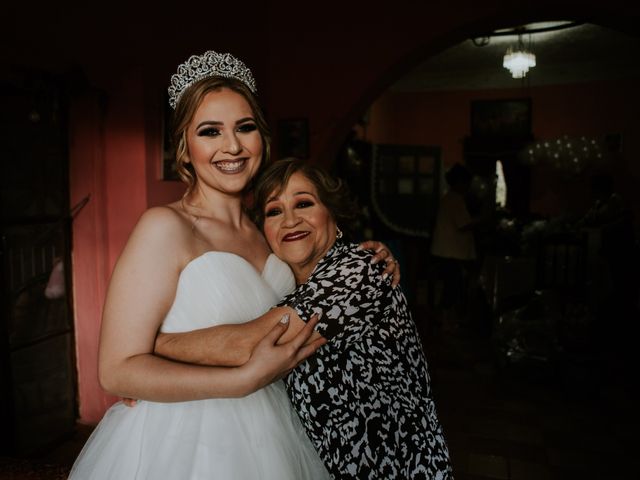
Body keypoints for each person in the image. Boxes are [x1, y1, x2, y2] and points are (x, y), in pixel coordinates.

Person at [69, 51, 399, 479]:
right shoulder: (164, 227)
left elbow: (317, 299)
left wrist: (365, 257)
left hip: (280, 427)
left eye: (245, 128)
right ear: (185, 148)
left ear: (262, 137)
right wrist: (239, 382)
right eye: (211, 132)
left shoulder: (271, 231)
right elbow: (116, 370)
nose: (232, 146)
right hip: (184, 438)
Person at [156, 158, 454, 479]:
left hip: (396, 466)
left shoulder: (361, 270)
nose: (290, 220)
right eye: (274, 211)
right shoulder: (283, 292)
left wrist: (150, 348)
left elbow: (248, 345)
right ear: (264, 231)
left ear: (333, 214)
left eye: (303, 203)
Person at [429, 163, 481, 331]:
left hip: (446, 251)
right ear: (459, 182)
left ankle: (445, 319)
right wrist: (483, 220)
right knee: (453, 286)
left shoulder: (449, 198)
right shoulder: (455, 200)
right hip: (451, 252)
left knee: (451, 285)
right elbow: (463, 224)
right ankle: (446, 320)